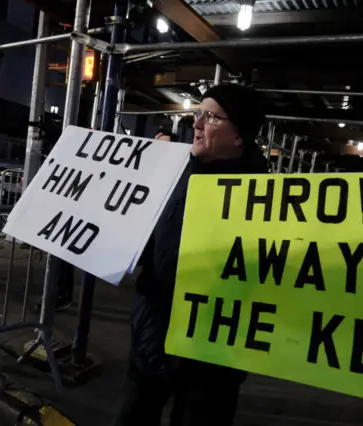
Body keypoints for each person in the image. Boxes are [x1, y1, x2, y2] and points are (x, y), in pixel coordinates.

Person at [114, 85, 269, 426]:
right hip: (152, 332)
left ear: (239, 136)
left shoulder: (267, 198)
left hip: (212, 353)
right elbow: (148, 243)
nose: (196, 124)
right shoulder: (176, 170)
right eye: (197, 114)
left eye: (211, 117)